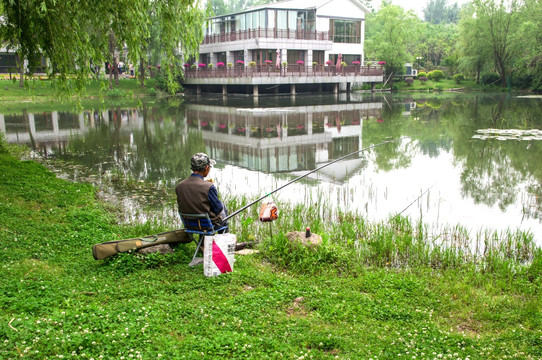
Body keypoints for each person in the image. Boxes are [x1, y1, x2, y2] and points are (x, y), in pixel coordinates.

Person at [175, 153, 228, 232]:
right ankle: (223, 240)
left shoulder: (180, 186)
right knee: (223, 207)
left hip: (189, 225)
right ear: (206, 168)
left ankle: (203, 241)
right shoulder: (209, 187)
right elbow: (218, 208)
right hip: (208, 226)